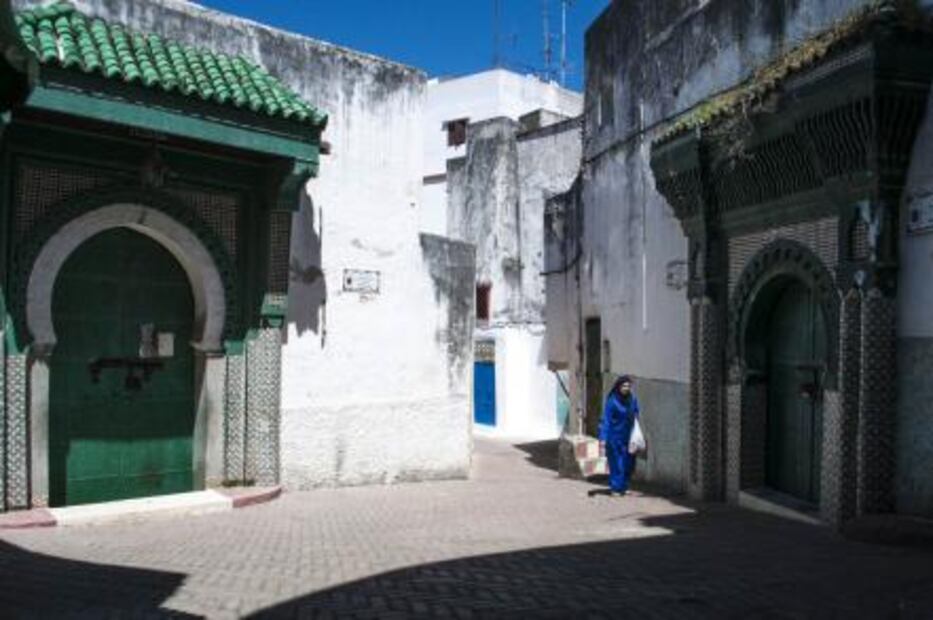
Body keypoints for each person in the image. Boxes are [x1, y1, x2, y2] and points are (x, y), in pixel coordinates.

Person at [598, 375, 640, 497]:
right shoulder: (612, 401)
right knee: (617, 463)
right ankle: (616, 488)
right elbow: (606, 420)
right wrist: (603, 439)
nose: (626, 388)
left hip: (628, 437)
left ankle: (625, 486)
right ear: (618, 387)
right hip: (614, 438)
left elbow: (636, 412)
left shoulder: (632, 399)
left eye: (628, 386)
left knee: (628, 463)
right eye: (624, 386)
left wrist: (636, 429)